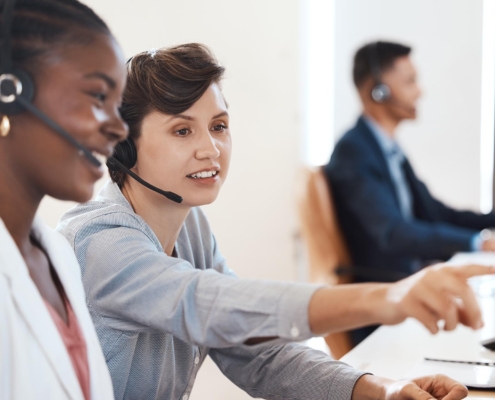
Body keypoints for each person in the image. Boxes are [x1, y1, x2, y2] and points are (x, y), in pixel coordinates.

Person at [57, 43, 491, 400]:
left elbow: (256, 353)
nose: (211, 149)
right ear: (122, 147)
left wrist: (382, 390)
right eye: (182, 130)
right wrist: (388, 298)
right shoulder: (100, 243)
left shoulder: (189, 228)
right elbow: (207, 305)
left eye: (219, 126)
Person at [0, 0, 128, 398]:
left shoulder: (58, 256)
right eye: (98, 96)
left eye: (118, 105)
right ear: (10, 91)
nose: (119, 128)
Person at [325, 41, 495, 285]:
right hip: (384, 292)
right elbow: (393, 233)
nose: (420, 91)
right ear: (378, 91)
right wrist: (478, 242)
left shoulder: (389, 150)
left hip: (407, 283)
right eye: (410, 81)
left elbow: (436, 213)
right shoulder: (354, 152)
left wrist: (489, 223)